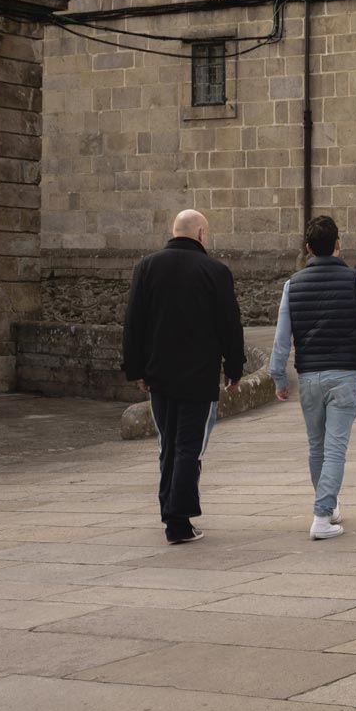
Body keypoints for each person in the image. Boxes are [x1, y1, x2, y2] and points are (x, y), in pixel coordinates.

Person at [121, 209, 245, 545]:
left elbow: (134, 323)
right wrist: (234, 369)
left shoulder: (146, 267)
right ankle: (178, 520)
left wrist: (137, 370)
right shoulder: (215, 271)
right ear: (202, 234)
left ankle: (171, 513)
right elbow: (229, 326)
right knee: (189, 447)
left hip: (159, 374)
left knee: (168, 445)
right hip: (199, 376)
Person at [270, 216, 356, 540]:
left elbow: (283, 337)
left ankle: (329, 504)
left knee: (317, 446)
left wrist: (278, 375)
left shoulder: (291, 284)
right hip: (344, 373)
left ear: (309, 248)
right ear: (338, 244)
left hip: (309, 374)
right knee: (335, 448)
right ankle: (322, 516)